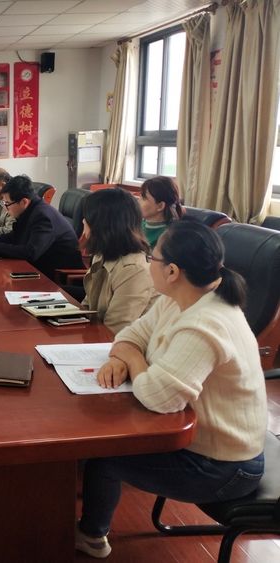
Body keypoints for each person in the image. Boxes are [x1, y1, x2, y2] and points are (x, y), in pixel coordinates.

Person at [76, 220, 267, 559]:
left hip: (225, 466)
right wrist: (124, 354)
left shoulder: (205, 324)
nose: (148, 262)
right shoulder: (180, 299)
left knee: (103, 460)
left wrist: (133, 359)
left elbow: (159, 398)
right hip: (203, 443)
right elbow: (131, 334)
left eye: (153, 257)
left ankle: (92, 537)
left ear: (173, 271)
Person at [0, 175, 84, 278]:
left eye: (7, 204)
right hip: (39, 269)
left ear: (24, 202)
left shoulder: (43, 217)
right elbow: (15, 237)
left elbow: (31, 252)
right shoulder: (30, 210)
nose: (6, 209)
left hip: (59, 277)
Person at [80, 188, 157, 334]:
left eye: (88, 217)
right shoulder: (103, 253)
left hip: (122, 344)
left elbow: (115, 330)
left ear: (101, 224)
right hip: (97, 337)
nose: (83, 221)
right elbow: (88, 307)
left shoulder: (134, 270)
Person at [139, 176, 184, 247]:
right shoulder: (137, 224)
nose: (138, 201)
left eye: (144, 198)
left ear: (160, 206)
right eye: (140, 196)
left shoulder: (168, 236)